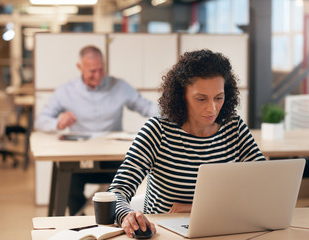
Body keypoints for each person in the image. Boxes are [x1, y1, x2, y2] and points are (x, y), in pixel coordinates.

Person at [108, 49, 266, 238]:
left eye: (219, 97)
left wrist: (193, 209)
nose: (212, 108)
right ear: (181, 95)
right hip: (166, 234)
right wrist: (127, 215)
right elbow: (117, 191)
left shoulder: (234, 128)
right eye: (201, 99)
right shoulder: (157, 131)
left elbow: (263, 185)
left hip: (221, 231)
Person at [34, 45, 159, 216]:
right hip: (81, 160)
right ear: (80, 67)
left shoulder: (119, 86)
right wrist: (58, 122)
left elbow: (147, 108)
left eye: (101, 70)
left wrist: (176, 113)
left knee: (133, 180)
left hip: (114, 160)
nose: (98, 76)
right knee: (70, 183)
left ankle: (121, 219)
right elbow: (41, 121)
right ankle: (78, 222)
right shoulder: (66, 91)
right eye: (92, 71)